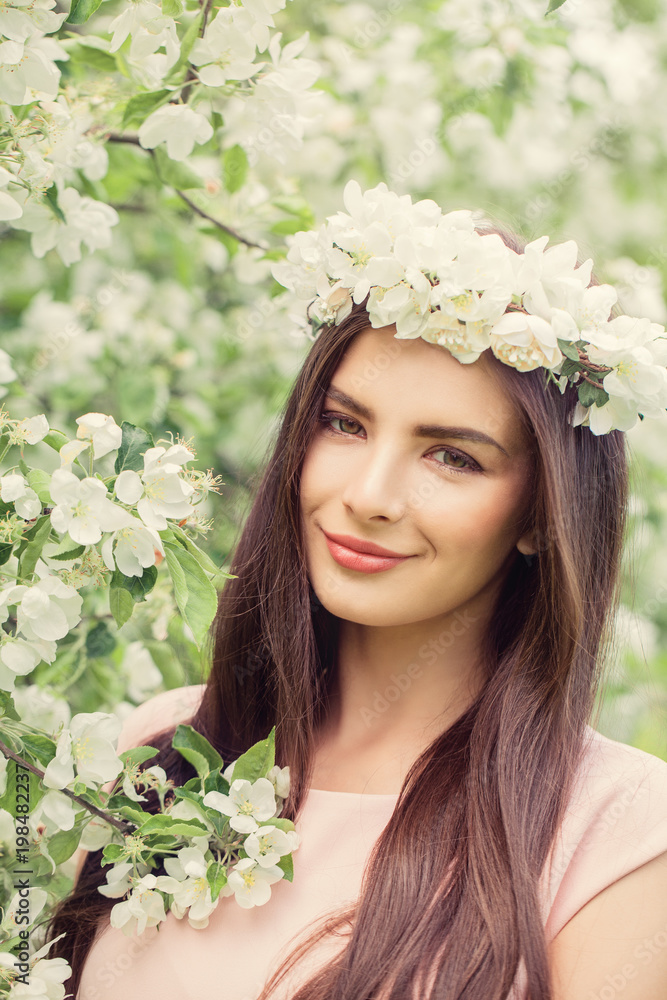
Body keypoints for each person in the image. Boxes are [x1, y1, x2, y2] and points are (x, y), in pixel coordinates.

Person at [47, 182, 667, 1000]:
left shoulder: (618, 836)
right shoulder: (163, 747)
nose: (370, 494)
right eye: (345, 423)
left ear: (538, 513)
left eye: (452, 456)